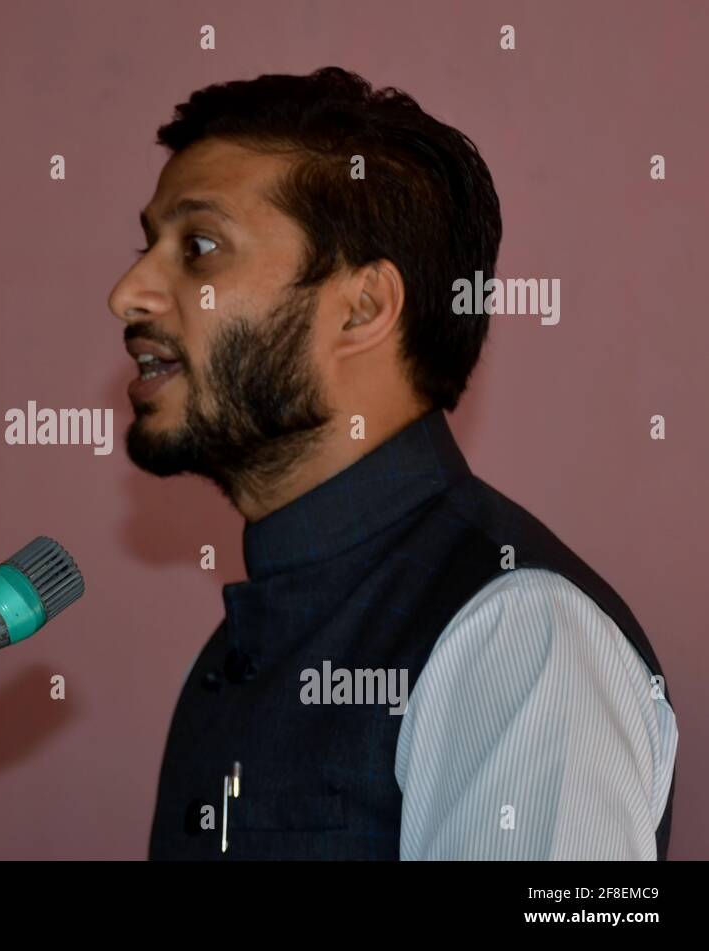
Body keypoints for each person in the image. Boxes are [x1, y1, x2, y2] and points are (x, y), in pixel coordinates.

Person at [108, 67, 676, 860]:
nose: (129, 293)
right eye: (148, 247)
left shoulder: (517, 636)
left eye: (199, 248)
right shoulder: (243, 647)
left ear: (364, 307)